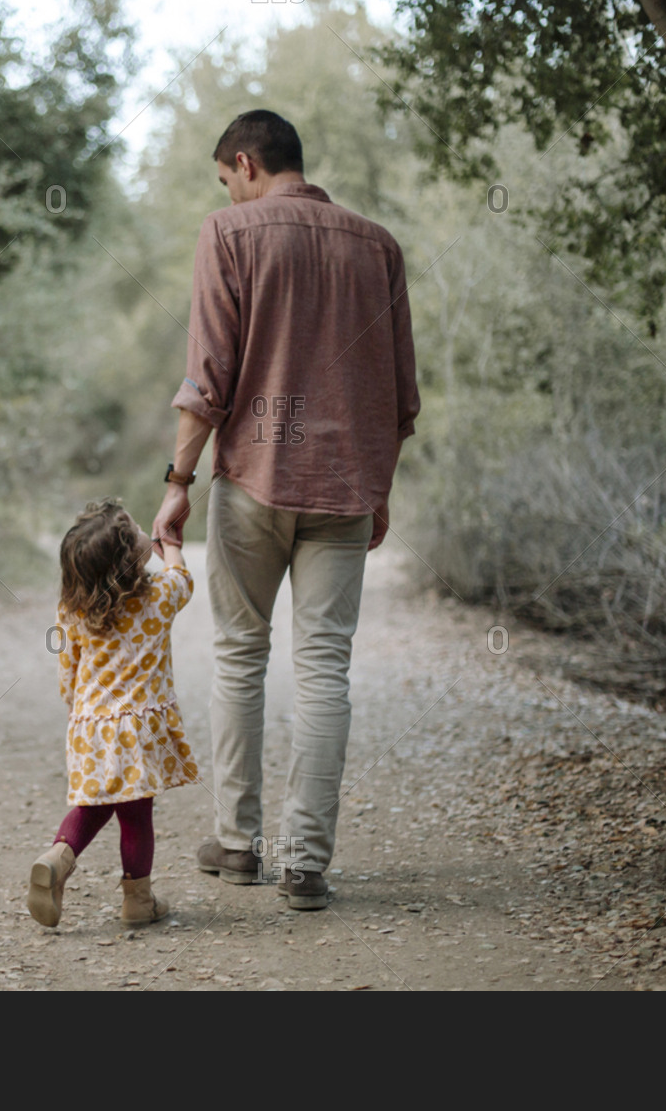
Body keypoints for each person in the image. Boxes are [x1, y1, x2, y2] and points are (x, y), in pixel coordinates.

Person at [151, 110, 419, 910]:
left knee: (239, 656)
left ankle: (237, 844)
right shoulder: (378, 247)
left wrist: (177, 482)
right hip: (343, 487)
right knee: (324, 667)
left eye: (227, 180)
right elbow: (401, 396)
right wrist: (379, 490)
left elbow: (208, 377)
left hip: (252, 482)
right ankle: (305, 863)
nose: (228, 195)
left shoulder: (230, 235)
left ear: (246, 163)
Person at [27, 499, 197, 928]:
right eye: (139, 530)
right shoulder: (157, 598)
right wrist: (171, 543)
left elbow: (68, 672)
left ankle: (58, 856)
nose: (145, 531)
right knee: (136, 816)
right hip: (136, 731)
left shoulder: (73, 610)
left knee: (92, 805)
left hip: (89, 726)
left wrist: (77, 710)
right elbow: (182, 578)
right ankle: (138, 900)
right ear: (129, 558)